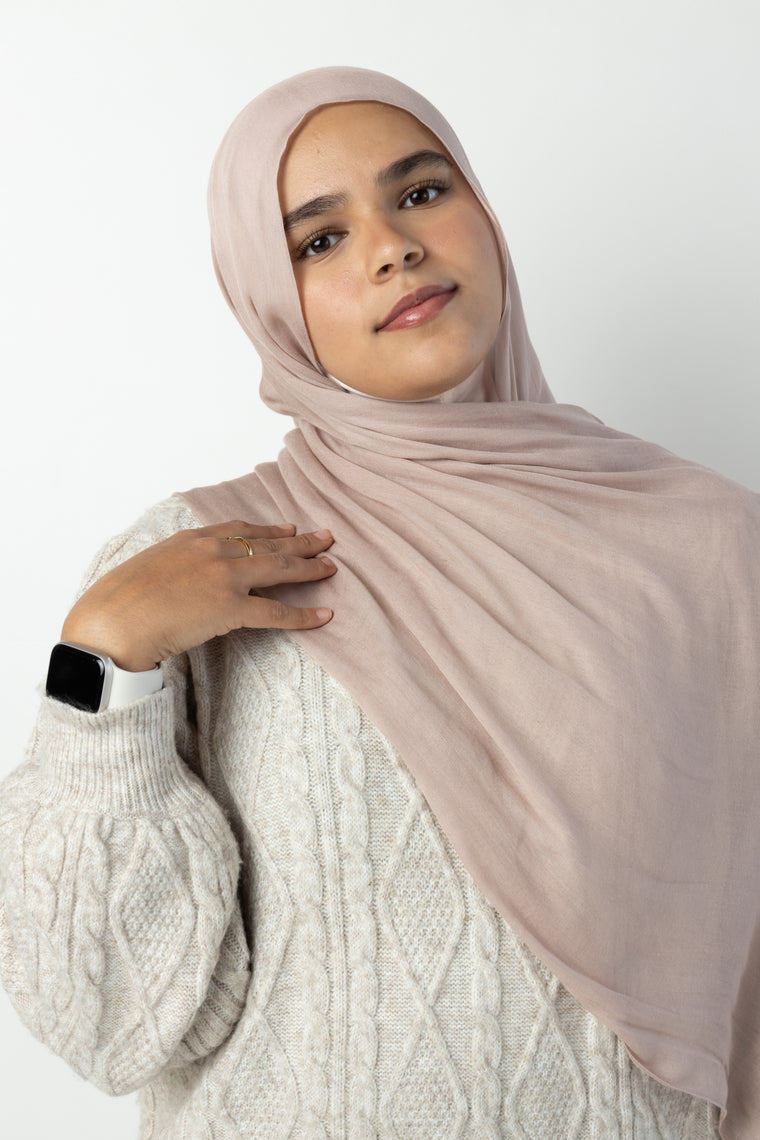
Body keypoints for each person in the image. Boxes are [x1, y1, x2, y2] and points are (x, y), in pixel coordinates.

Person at [0, 66, 758, 1140]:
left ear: (483, 219)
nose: (392, 247)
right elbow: (109, 1026)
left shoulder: (713, 547)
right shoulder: (196, 568)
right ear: (273, 299)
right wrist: (100, 657)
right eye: (317, 240)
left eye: (419, 193)